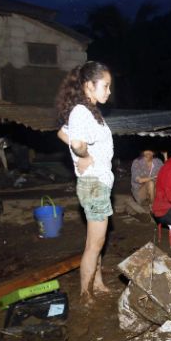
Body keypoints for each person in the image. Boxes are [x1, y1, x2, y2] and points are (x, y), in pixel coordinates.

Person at [54, 61, 114, 306]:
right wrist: (83, 155)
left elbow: (61, 132)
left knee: (97, 240)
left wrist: (81, 151)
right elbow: (77, 142)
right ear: (89, 85)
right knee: (95, 243)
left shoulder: (88, 112)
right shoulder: (81, 111)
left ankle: (96, 283)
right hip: (93, 184)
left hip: (98, 183)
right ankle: (85, 293)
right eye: (106, 86)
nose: (109, 91)